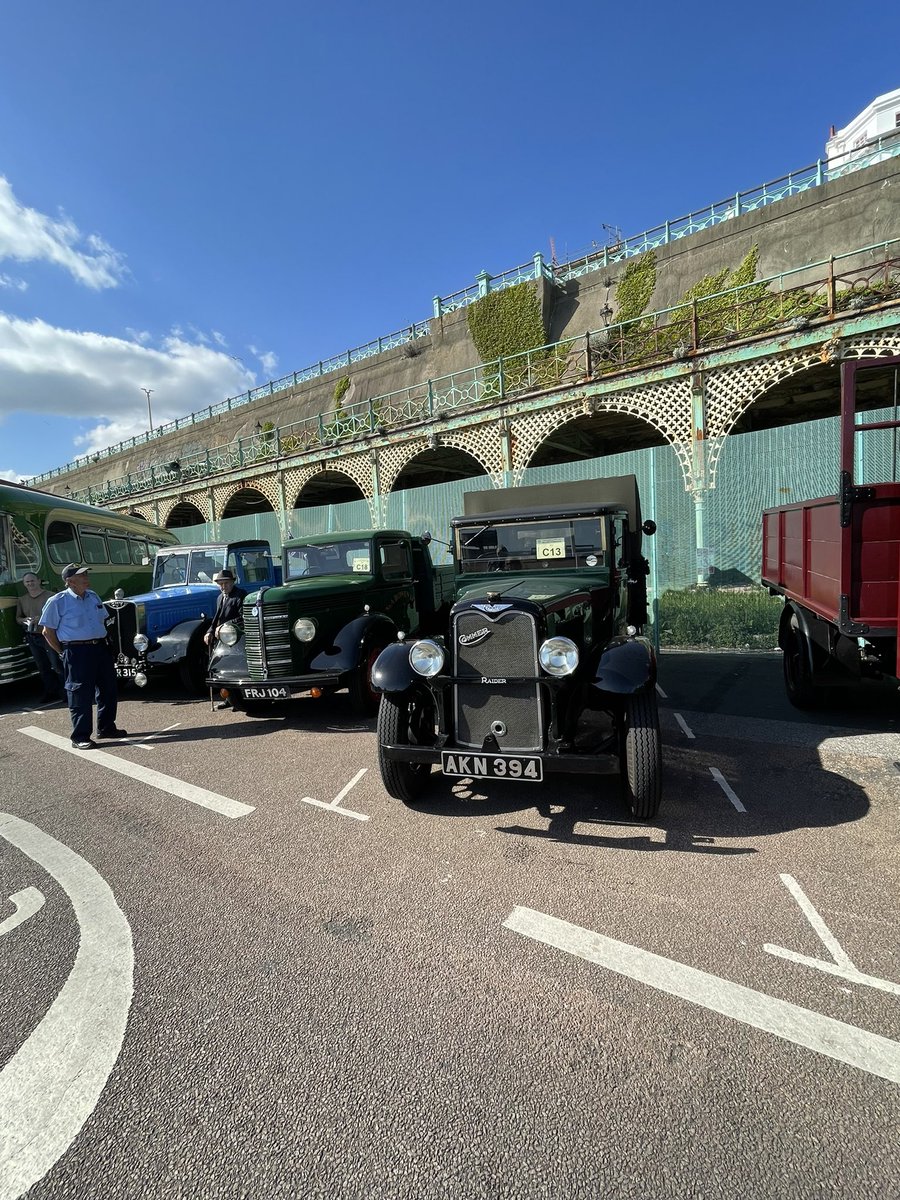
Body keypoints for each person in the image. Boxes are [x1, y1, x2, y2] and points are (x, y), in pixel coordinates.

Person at [40, 563, 127, 750]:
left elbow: (102, 620)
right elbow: (47, 632)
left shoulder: (93, 596)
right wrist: (62, 652)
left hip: (100, 648)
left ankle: (106, 727)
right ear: (70, 581)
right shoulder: (57, 601)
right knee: (80, 694)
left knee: (108, 689)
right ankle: (80, 736)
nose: (86, 577)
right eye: (81, 575)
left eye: (86, 574)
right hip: (77, 651)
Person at [16, 572, 65, 702]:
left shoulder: (51, 596)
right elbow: (18, 618)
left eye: (32, 581)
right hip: (32, 636)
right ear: (24, 584)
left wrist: (41, 619)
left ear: (38, 581)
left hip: (49, 635)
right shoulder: (22, 600)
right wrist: (25, 620)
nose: (30, 584)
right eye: (27, 582)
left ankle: (66, 692)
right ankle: (51, 692)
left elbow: (60, 615)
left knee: (57, 665)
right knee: (42, 667)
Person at [205, 568, 247, 709]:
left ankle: (238, 699)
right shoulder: (220, 598)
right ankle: (228, 699)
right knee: (221, 668)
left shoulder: (240, 595)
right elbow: (216, 618)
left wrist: (225, 626)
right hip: (222, 638)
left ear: (233, 582)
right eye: (221, 584)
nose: (223, 587)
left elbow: (243, 617)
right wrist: (210, 631)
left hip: (236, 638)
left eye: (226, 583)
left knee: (234, 668)